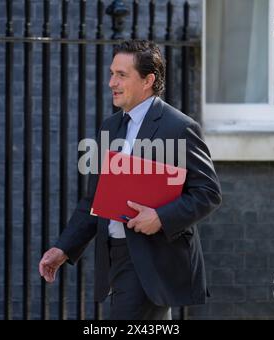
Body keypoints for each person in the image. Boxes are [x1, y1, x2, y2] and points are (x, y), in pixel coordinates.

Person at [39, 40, 222, 320]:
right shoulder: (110, 126)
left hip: (153, 259)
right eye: (112, 73)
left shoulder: (180, 127)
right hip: (115, 257)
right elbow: (95, 199)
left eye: (121, 75)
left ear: (148, 80)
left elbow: (207, 192)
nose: (112, 82)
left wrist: (160, 217)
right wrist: (63, 248)